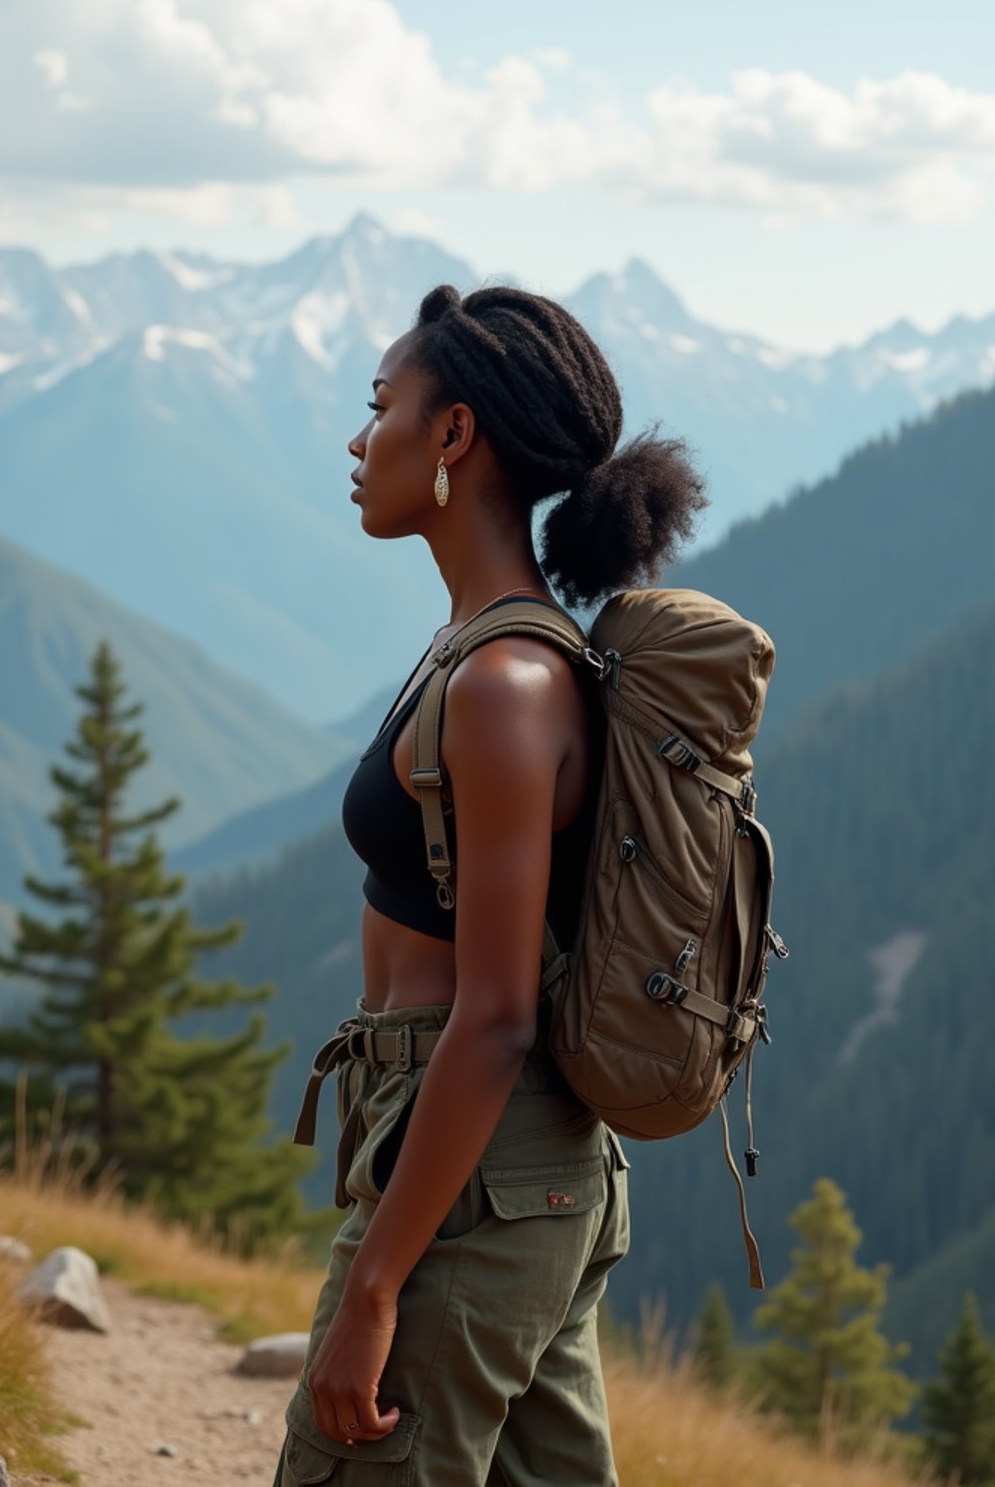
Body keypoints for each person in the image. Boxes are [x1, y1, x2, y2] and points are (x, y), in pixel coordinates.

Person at [274, 282, 708, 1486]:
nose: (362, 444)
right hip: (520, 1178)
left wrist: (375, 1285)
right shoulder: (482, 648)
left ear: (453, 436)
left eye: (382, 408)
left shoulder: (502, 684)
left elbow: (498, 1011)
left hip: (472, 1165)